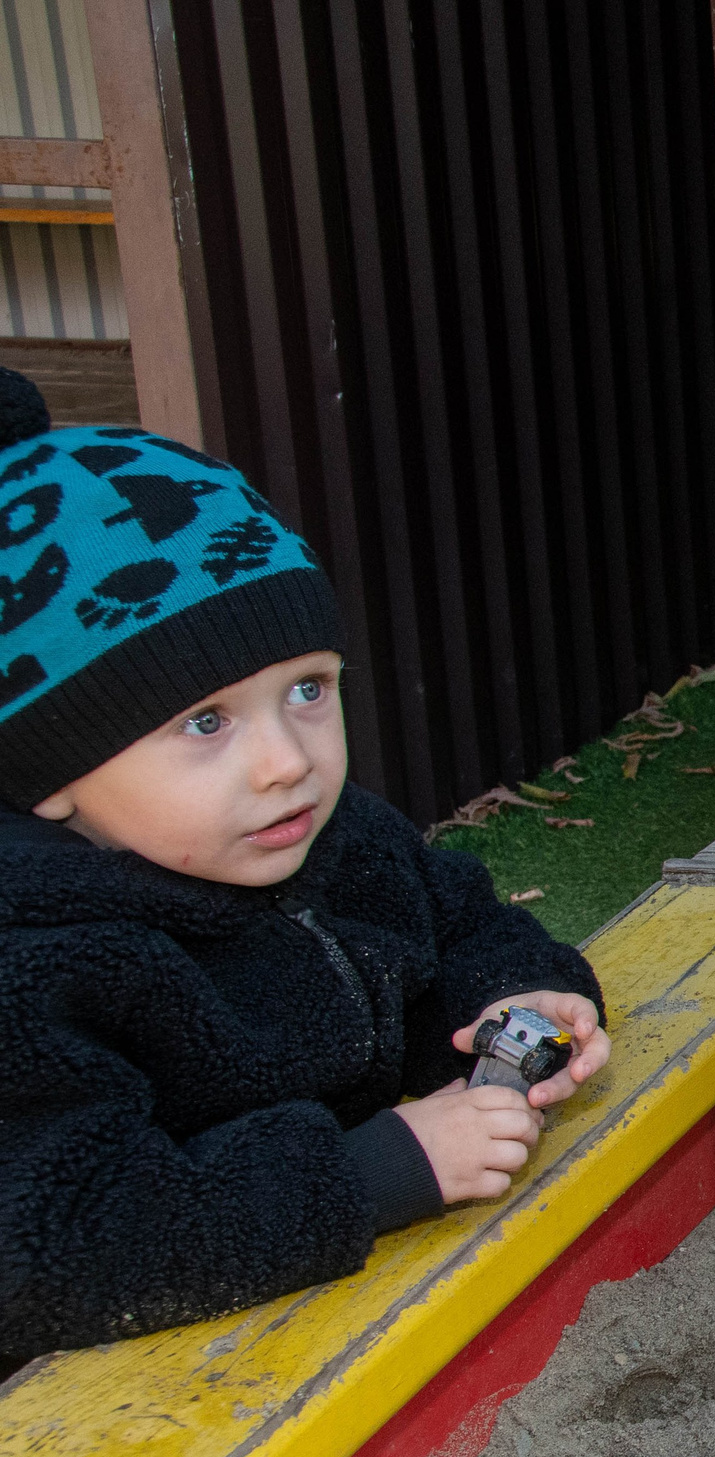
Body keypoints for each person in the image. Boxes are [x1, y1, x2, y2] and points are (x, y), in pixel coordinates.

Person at [0, 373, 608, 1362]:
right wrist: (373, 1173)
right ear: (47, 775)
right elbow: (57, 1244)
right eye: (205, 723)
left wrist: (516, 1002)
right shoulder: (35, 965)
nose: (288, 761)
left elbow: (458, 926)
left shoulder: (331, 839)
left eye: (309, 691)